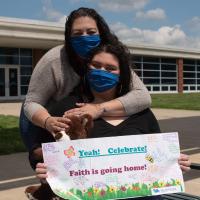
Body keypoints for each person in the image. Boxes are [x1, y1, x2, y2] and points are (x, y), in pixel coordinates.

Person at [31, 44, 190, 200]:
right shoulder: (67, 110)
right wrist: (47, 172)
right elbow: (41, 153)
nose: (102, 71)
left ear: (122, 74)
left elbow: (158, 156)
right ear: (87, 68)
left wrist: (174, 164)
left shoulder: (141, 113)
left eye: (110, 68)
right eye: (96, 65)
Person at [20, 7, 151, 152]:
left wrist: (98, 109)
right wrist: (47, 121)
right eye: (77, 33)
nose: (84, 37)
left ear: (101, 33)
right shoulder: (53, 60)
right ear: (69, 37)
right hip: (51, 114)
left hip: (87, 115)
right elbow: (32, 102)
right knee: (39, 154)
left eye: (91, 32)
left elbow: (142, 96)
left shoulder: (111, 56)